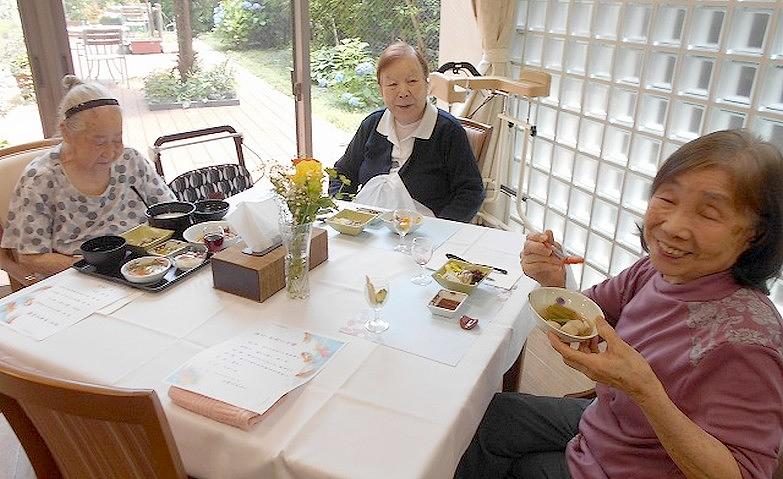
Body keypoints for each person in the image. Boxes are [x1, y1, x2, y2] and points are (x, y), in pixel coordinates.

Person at [455, 129, 783, 478]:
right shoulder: (654, 270)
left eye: (709, 213)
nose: (673, 227)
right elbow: (588, 315)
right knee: (488, 418)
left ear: (754, 234)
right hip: (610, 423)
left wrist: (644, 390)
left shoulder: (746, 340)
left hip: (638, 462)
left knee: (519, 469)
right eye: (668, 199)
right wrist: (553, 280)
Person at [1, 75, 175, 276]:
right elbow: (30, 257)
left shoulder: (130, 160)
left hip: (148, 266)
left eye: (117, 139)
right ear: (66, 133)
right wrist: (93, 267)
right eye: (99, 143)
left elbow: (168, 210)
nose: (111, 153)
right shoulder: (41, 179)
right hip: (81, 275)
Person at [328, 41, 485, 223]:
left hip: (422, 237)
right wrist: (345, 213)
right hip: (368, 228)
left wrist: (441, 229)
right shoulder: (372, 124)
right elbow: (342, 173)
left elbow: (471, 192)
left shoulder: (448, 131)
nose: (403, 92)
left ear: (428, 84)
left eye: (412, 81)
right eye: (392, 84)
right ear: (381, 90)